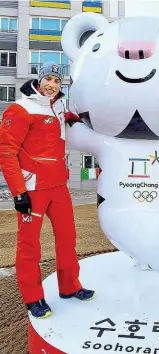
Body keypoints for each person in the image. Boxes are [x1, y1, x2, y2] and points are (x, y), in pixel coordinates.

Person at [0, 62, 95, 319]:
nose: (52, 85)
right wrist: (19, 192)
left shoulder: (58, 107)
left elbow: (65, 118)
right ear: (39, 80)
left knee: (67, 238)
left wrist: (81, 119)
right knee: (29, 245)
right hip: (32, 190)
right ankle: (33, 297)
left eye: (57, 81)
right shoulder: (20, 109)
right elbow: (6, 153)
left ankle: (70, 286)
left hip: (58, 187)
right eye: (48, 79)